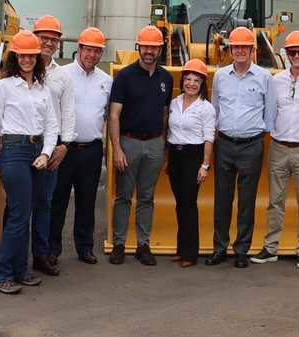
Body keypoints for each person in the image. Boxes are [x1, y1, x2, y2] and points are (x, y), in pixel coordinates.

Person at [0, 30, 60, 295]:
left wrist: (46, 153)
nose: (27, 60)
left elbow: (52, 126)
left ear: (38, 59)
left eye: (32, 56)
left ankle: (18, 270)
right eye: (22, 55)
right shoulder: (3, 87)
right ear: (15, 57)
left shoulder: (43, 90)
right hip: (14, 151)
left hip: (37, 151)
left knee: (24, 213)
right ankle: (1, 274)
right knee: (18, 214)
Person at [250, 31, 299, 269]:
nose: (296, 56)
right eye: (292, 52)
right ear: (285, 53)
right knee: (275, 201)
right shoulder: (275, 81)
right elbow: (267, 112)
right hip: (279, 147)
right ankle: (271, 246)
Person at [207, 26, 277, 268]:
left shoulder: (264, 77)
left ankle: (241, 250)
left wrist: (257, 136)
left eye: (244, 47)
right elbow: (214, 110)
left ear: (252, 49)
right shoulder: (219, 77)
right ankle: (219, 248)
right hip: (224, 144)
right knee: (222, 200)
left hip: (251, 146)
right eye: (235, 47)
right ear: (230, 49)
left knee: (247, 202)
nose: (239, 51)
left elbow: (270, 115)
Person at [108, 26, 173, 266]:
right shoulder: (125, 76)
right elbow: (114, 115)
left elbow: (165, 115)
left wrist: (164, 147)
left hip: (154, 144)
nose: (149, 51)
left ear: (159, 50)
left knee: (147, 198)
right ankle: (119, 244)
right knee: (123, 197)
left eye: (153, 47)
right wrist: (117, 149)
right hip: (129, 143)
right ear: (139, 47)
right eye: (145, 47)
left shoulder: (166, 78)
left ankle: (143, 245)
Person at [49, 27, 111, 265]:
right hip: (65, 148)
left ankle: (85, 247)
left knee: (87, 201)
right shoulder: (61, 75)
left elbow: (107, 115)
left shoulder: (107, 81)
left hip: (92, 149)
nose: (92, 55)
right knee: (58, 200)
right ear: (79, 49)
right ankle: (52, 249)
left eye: (97, 51)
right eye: (88, 49)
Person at [30, 16, 76, 277]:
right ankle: (11, 254)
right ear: (35, 37)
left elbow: (68, 111)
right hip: (22, 143)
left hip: (52, 146)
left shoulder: (63, 75)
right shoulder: (20, 66)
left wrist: (64, 145)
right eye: (44, 38)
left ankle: (40, 255)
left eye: (53, 39)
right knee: (18, 204)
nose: (48, 43)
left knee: (45, 203)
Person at [165, 59, 216, 268]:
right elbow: (170, 132)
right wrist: (168, 160)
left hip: (193, 156)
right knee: (180, 203)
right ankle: (180, 248)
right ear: (182, 80)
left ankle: (190, 253)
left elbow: (209, 138)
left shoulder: (206, 108)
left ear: (202, 84)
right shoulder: (175, 103)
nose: (191, 84)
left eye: (196, 80)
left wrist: (205, 165)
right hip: (176, 156)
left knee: (189, 203)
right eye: (188, 79)